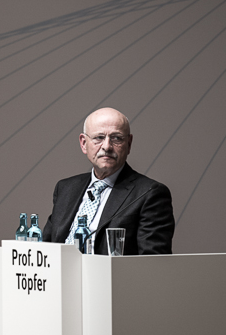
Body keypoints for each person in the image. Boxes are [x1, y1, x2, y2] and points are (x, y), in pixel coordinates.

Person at [43, 107, 174, 254]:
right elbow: (44, 248)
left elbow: (152, 262)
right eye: (99, 138)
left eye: (116, 138)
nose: (107, 146)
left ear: (129, 144)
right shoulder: (65, 188)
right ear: (84, 143)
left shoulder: (150, 194)